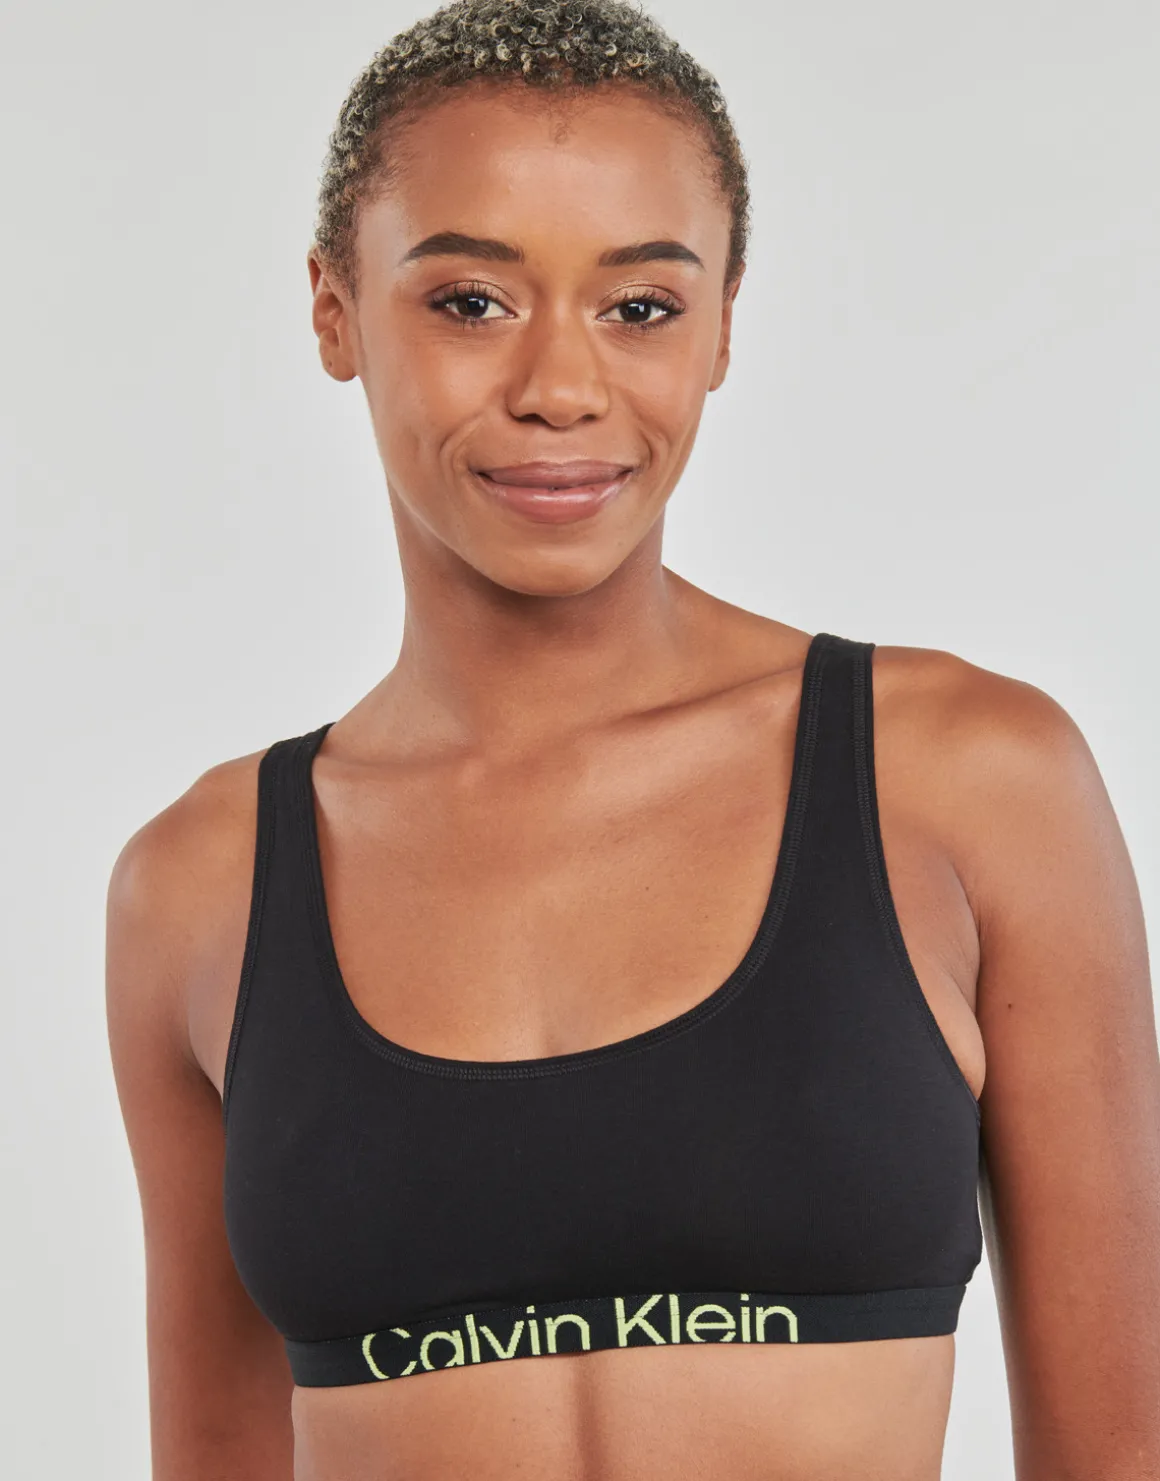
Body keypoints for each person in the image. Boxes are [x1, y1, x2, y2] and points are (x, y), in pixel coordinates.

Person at [105, 3, 1160, 1478]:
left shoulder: (969, 784)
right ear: (334, 311)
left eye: (641, 306)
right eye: (471, 300)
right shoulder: (200, 887)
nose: (560, 387)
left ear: (724, 324)